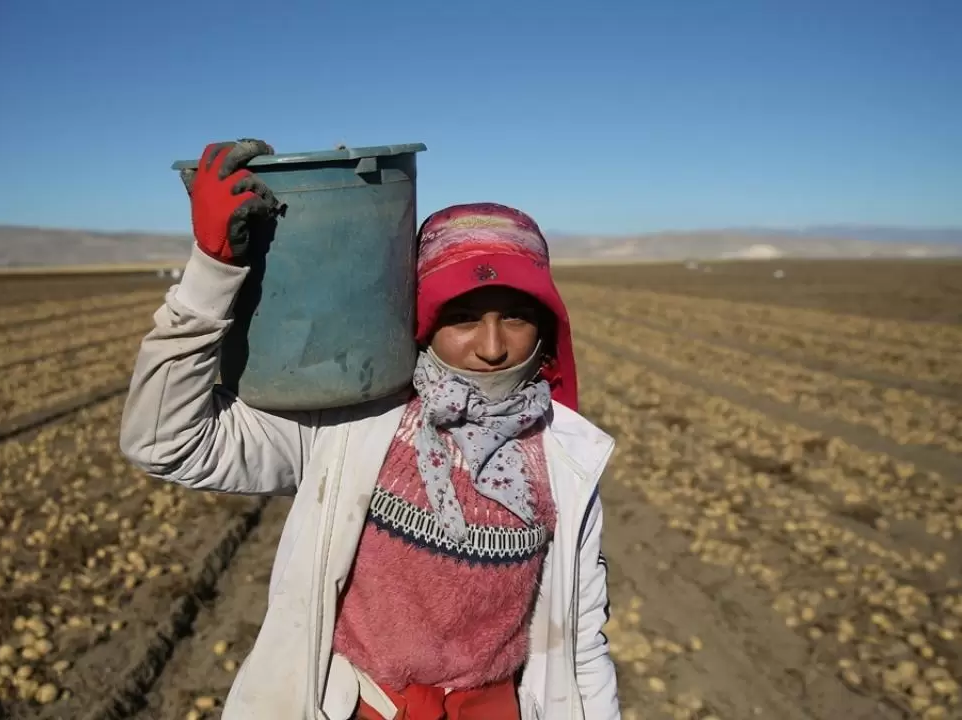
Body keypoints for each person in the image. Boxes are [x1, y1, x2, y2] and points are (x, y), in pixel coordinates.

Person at [119, 140, 620, 720]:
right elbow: (165, 441)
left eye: (515, 316)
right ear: (424, 320)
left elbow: (582, 645)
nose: (491, 347)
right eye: (461, 318)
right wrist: (213, 271)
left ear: (545, 324)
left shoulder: (565, 462)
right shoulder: (353, 427)